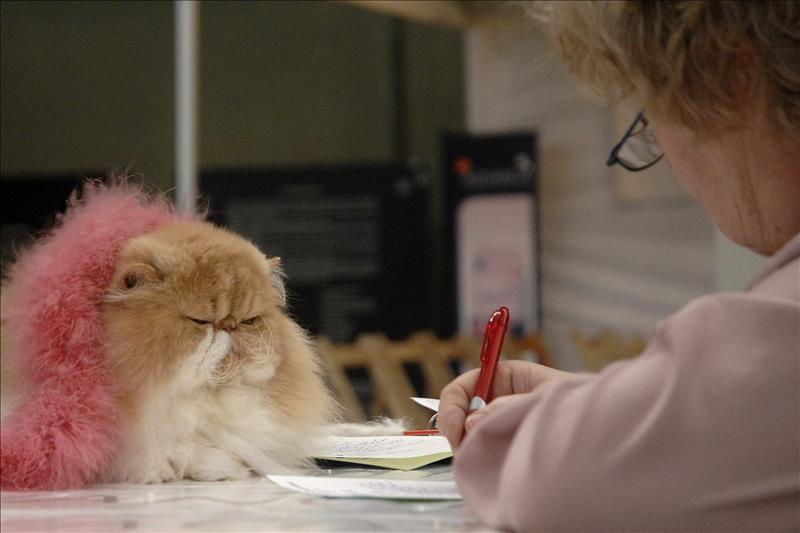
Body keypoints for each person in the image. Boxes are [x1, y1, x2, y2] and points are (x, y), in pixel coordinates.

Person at [438, 2, 800, 531]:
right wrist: (604, 407)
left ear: (734, 77)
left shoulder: (780, 331)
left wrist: (522, 429)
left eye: (652, 116)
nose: (672, 161)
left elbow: (562, 483)